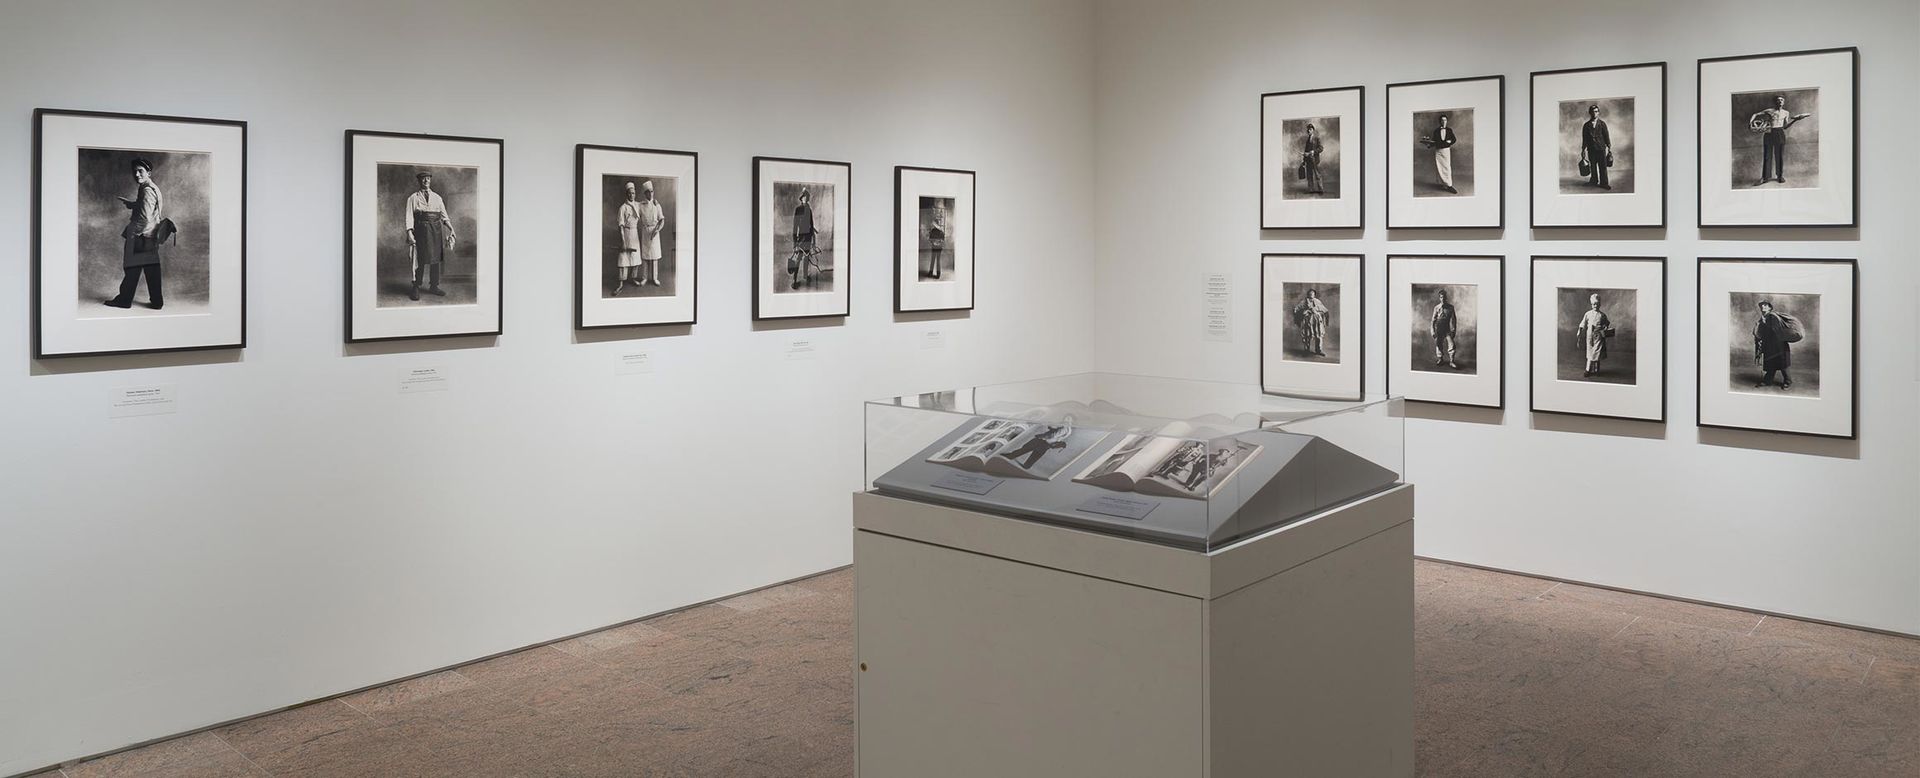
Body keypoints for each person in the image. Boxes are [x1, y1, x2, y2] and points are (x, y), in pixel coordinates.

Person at [105, 158, 167, 309]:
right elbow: (149, 209)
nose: (137, 174)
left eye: (141, 171)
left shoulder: (146, 190)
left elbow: (145, 218)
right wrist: (132, 204)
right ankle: (157, 302)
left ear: (149, 173)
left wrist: (134, 235)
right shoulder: (151, 187)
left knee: (132, 269)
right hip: (151, 238)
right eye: (135, 171)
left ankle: (124, 300)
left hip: (142, 237)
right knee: (152, 270)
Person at [404, 171, 456, 301]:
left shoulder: (437, 198)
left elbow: (444, 216)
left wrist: (451, 229)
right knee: (420, 259)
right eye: (423, 179)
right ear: (419, 181)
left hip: (436, 230)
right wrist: (410, 232)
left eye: (428, 178)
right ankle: (416, 286)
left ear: (430, 180)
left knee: (435, 260)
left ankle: (434, 286)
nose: (426, 181)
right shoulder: (413, 198)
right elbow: (409, 217)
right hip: (420, 230)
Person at [1749, 95, 1812, 186]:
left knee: (1779, 156)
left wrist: (1795, 120)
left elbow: (1785, 127)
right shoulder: (1769, 111)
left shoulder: (1786, 113)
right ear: (1775, 102)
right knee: (1767, 156)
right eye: (1778, 100)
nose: (1780, 101)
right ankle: (1765, 177)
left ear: (1784, 102)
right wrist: (1750, 122)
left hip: (1779, 133)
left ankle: (1780, 176)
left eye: (1782, 100)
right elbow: (1755, 114)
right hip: (1769, 133)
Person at [1751, 299, 1794, 390]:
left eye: (1765, 305)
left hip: (1779, 345)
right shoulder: (1763, 318)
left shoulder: (1773, 316)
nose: (1763, 307)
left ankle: (1788, 382)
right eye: (1762, 305)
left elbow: (1775, 330)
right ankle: (1767, 381)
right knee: (1771, 364)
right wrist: (1759, 325)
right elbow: (1761, 333)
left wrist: (1763, 322)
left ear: (1770, 307)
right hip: (1769, 345)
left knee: (1783, 365)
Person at [635, 180, 666, 287]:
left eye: (652, 191)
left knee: (655, 256)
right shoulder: (641, 205)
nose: (651, 193)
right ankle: (644, 278)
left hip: (655, 232)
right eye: (648, 192)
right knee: (646, 256)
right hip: (645, 232)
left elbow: (662, 220)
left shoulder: (657, 205)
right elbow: (634, 209)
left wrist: (657, 230)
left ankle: (655, 278)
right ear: (645, 193)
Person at [1575, 293, 1613, 377]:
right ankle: (1587, 370)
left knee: (1597, 354)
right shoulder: (1588, 314)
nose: (1595, 305)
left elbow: (1607, 323)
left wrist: (1606, 327)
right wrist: (1579, 331)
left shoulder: (1602, 315)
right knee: (1590, 354)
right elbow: (1583, 323)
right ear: (1591, 304)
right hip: (1590, 336)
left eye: (1596, 304)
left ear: (1599, 304)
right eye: (1593, 304)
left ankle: (1597, 370)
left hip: (1599, 337)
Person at [613, 182, 641, 296]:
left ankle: (633, 278)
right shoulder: (622, 208)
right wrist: (623, 241)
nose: (632, 195)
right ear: (627, 194)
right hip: (626, 232)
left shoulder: (638, 205)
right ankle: (620, 283)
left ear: (635, 194)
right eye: (629, 193)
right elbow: (620, 225)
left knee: (635, 257)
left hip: (635, 233)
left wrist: (655, 202)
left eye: (633, 193)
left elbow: (647, 205)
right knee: (623, 259)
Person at [1003, 422, 1070, 469]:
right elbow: (1054, 433)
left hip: (1043, 441)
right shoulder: (1067, 429)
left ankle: (1011, 456)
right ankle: (1027, 465)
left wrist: (1041, 435)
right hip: (1046, 443)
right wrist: (1051, 428)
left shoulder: (1064, 428)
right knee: (1036, 454)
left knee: (1027, 449)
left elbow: (1052, 435)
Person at [1424, 115, 1458, 194]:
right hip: (1438, 151)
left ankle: (1449, 185)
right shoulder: (1436, 131)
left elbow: (1454, 139)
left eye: (1445, 120)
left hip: (1446, 151)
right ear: (1440, 121)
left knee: (1447, 168)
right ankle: (1443, 184)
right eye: (1442, 120)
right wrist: (1428, 145)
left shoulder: (1449, 130)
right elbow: (1434, 142)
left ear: (1447, 121)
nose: (1444, 122)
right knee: (1439, 168)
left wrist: (1450, 142)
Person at [1581, 104, 1613, 190]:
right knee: (1593, 166)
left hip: (1601, 148)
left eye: (1596, 112)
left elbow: (1606, 135)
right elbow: (1585, 138)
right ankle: (1594, 181)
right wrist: (1583, 149)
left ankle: (1604, 183)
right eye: (1592, 112)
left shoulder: (1602, 124)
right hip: (1591, 149)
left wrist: (1609, 145)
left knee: (1603, 166)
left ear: (1598, 113)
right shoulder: (1586, 125)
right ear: (1590, 113)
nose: (1594, 113)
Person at [791, 188, 817, 288]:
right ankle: (794, 279)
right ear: (801, 199)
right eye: (804, 197)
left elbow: (811, 224)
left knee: (806, 257)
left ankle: (805, 276)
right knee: (798, 259)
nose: (805, 198)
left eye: (807, 197)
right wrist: (795, 243)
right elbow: (795, 227)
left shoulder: (809, 210)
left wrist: (813, 240)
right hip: (800, 239)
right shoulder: (798, 209)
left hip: (808, 238)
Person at [1293, 288, 1330, 357]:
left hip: (1317, 321)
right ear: (1308, 294)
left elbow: (1324, 310)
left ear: (1314, 294)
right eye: (1310, 293)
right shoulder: (1303, 302)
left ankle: (1318, 350)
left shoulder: (1318, 301)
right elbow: (1296, 309)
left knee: (1318, 335)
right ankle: (1306, 350)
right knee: (1307, 335)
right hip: (1308, 321)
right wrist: (1304, 312)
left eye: (1313, 293)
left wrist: (1319, 313)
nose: (1311, 294)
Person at [1430, 289, 1459, 369]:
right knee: (1439, 344)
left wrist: (1453, 330)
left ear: (1446, 298)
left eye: (1444, 297)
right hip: (1439, 328)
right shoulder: (1436, 308)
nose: (1443, 299)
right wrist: (1433, 332)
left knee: (1452, 344)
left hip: (1447, 329)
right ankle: (1440, 359)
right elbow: (1433, 321)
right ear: (1439, 298)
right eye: (1441, 297)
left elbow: (1453, 320)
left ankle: (1452, 361)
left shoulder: (1450, 308)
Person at [1301, 123, 1326, 195]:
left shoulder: (1317, 138)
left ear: (1313, 130)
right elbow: (1306, 151)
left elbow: (1321, 148)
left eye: (1310, 129)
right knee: (1309, 176)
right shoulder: (1307, 140)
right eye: (1308, 130)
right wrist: (1304, 160)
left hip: (1315, 161)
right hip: (1308, 161)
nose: (1309, 131)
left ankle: (1321, 190)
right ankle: (1311, 190)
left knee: (1318, 175)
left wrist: (1314, 151)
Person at [925, 204, 946, 280]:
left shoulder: (934, 231)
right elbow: (942, 240)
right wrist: (938, 243)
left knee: (933, 260)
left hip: (935, 247)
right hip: (938, 247)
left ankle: (931, 273)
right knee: (937, 260)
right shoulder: (940, 232)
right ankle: (937, 274)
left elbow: (930, 239)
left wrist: (934, 243)